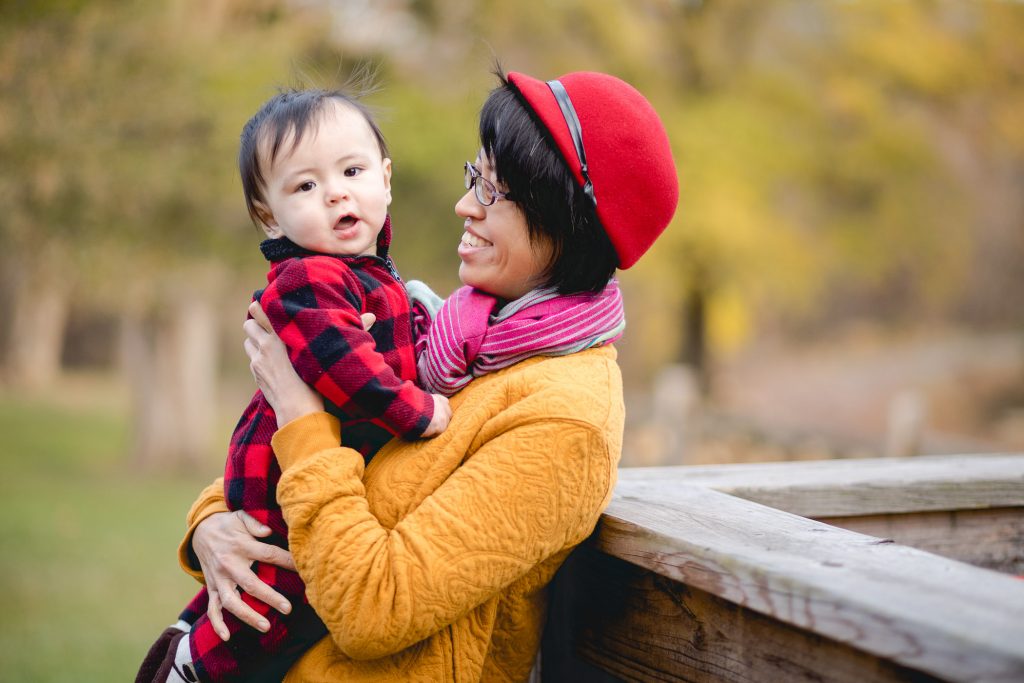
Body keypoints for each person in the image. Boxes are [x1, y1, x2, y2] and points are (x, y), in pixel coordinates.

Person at [170, 68, 677, 682]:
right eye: (474, 177)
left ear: (566, 222)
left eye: (494, 191)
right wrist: (211, 524)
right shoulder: (454, 334)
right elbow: (336, 452)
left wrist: (299, 414)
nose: (464, 205)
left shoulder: (565, 420)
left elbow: (372, 610)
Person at [136, 88, 453, 683]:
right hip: (281, 481)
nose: (335, 192)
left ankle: (191, 640)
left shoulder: (366, 275)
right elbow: (346, 371)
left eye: (352, 171)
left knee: (274, 595)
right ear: (268, 214)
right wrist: (421, 413)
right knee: (270, 602)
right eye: (304, 186)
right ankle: (191, 668)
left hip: (319, 474)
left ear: (385, 180)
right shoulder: (306, 279)